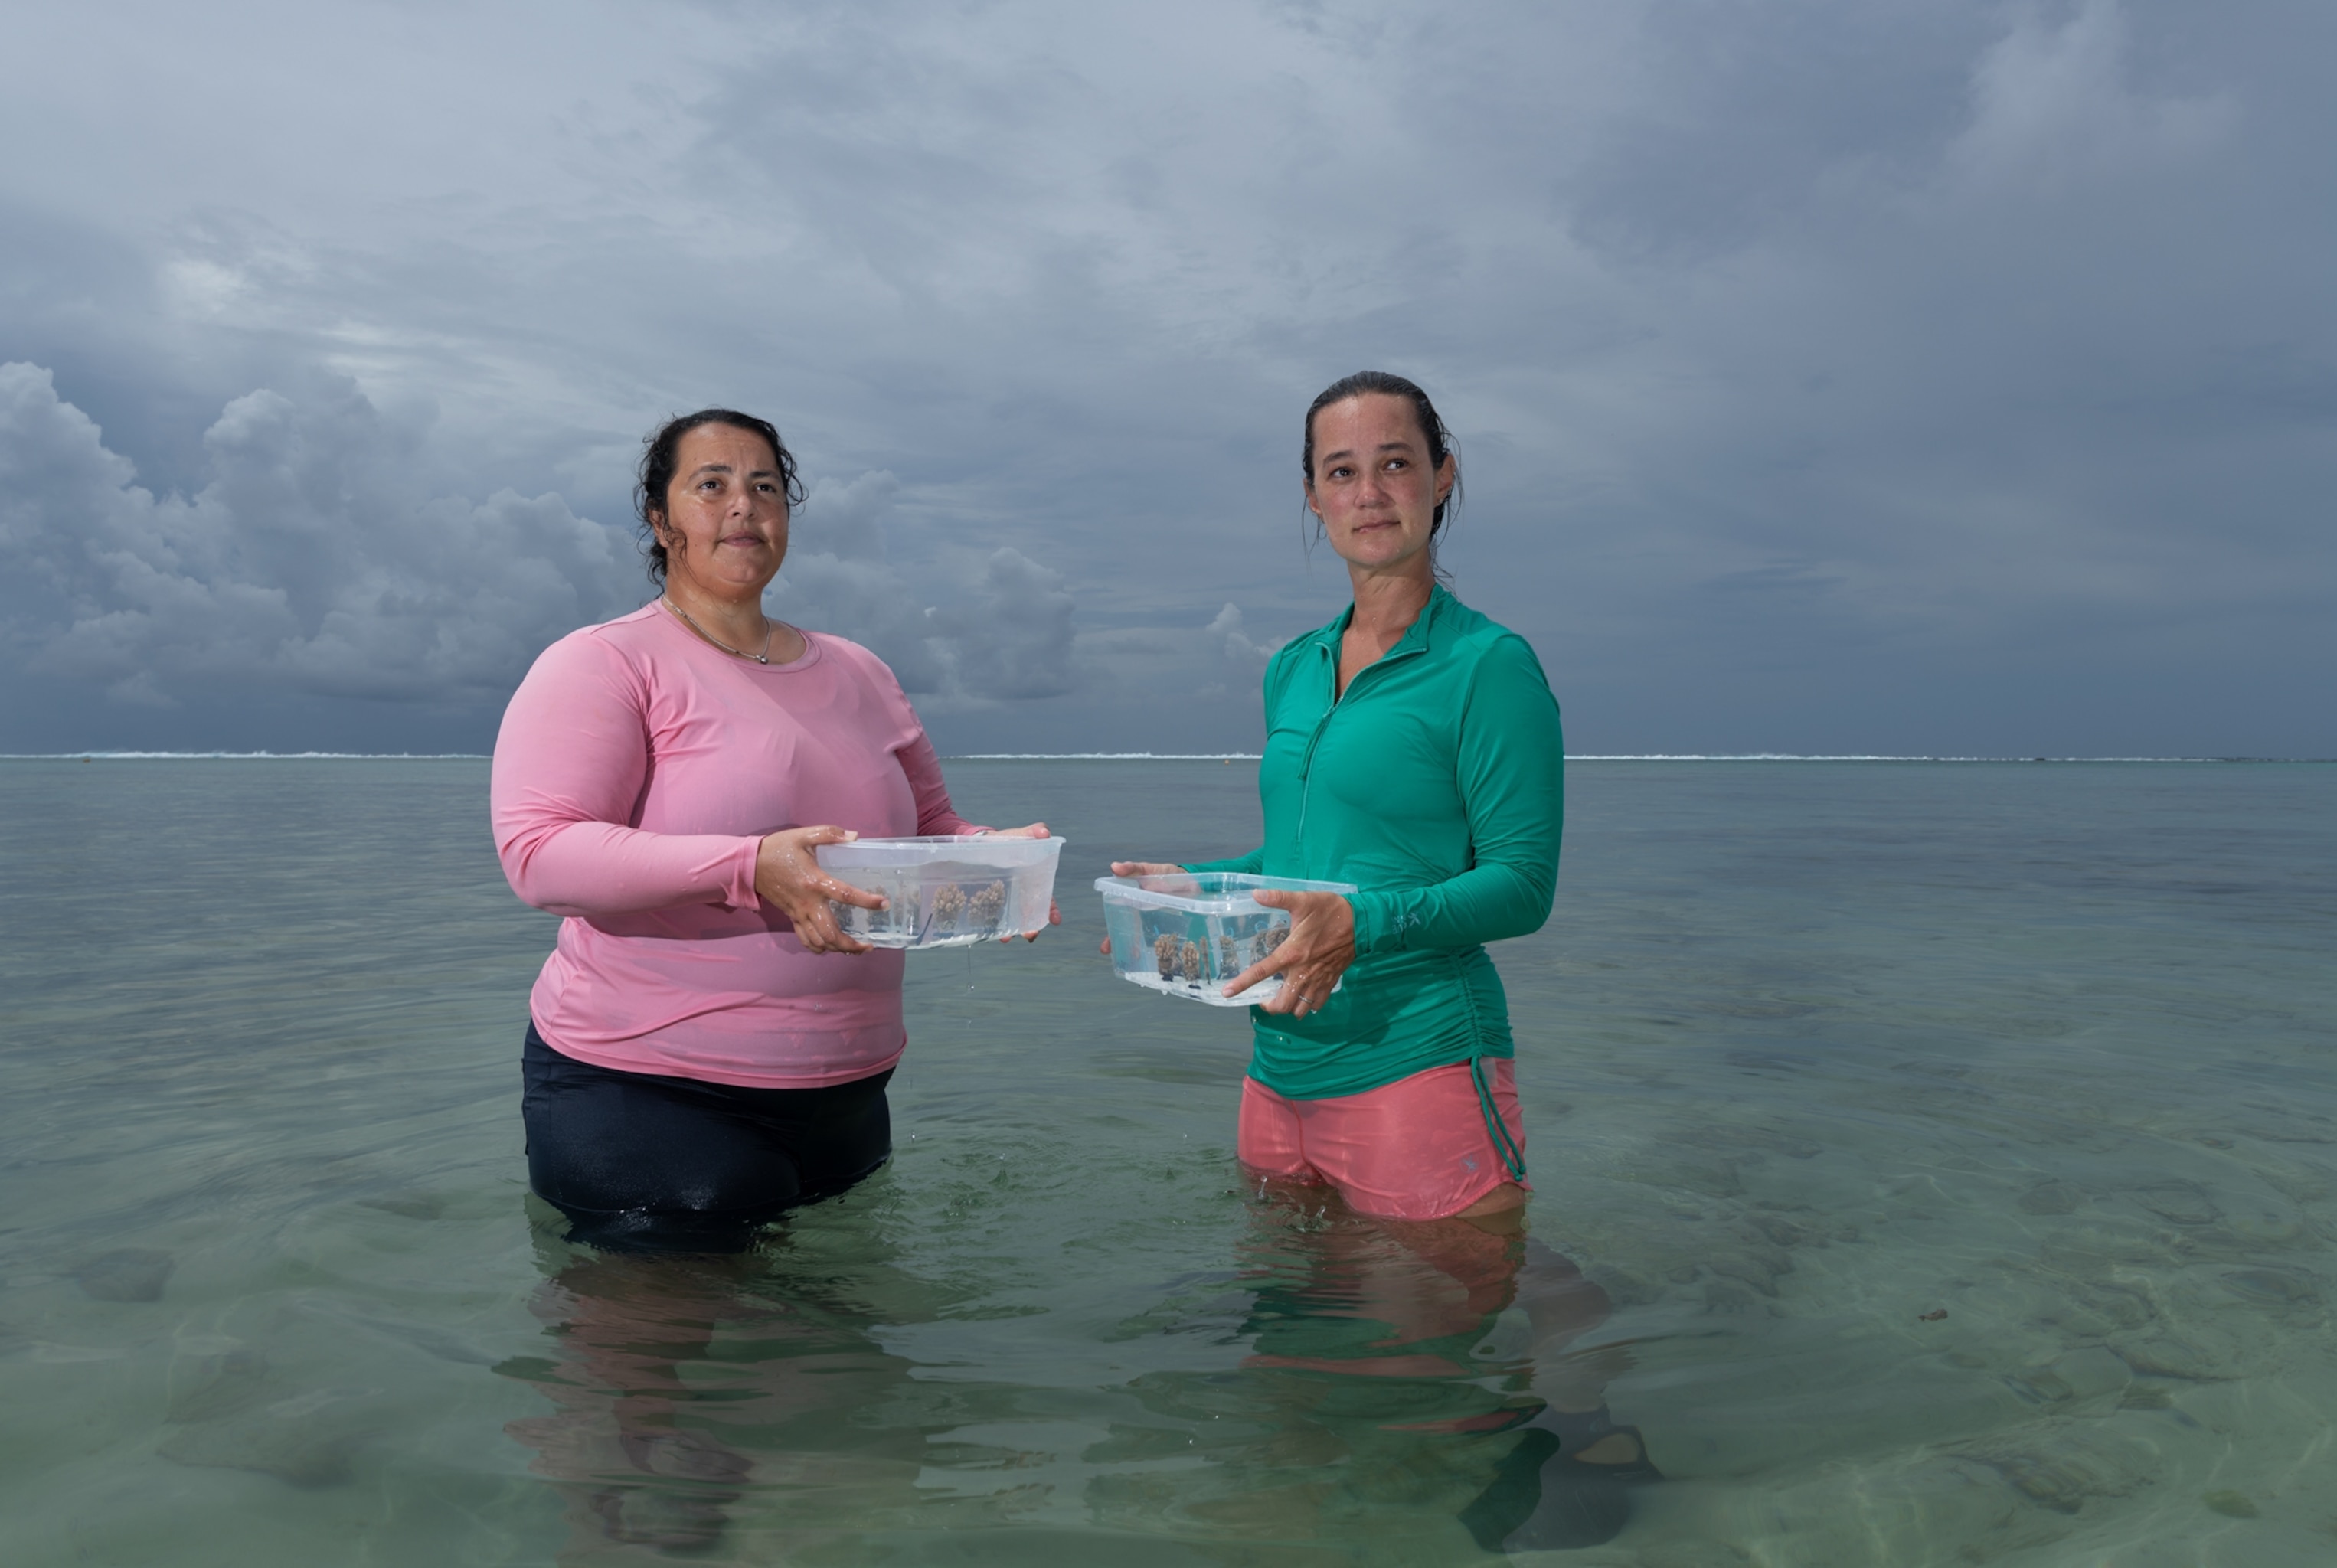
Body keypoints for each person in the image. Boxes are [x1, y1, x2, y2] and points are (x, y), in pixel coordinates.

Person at [1107, 371, 1656, 1548]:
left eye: (1395, 462)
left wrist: (1368, 928)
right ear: (1312, 495)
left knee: (1408, 1379)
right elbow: (1310, 857)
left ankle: (1581, 1416)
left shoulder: (1489, 666)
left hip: (1419, 1053)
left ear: (1442, 478)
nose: (1370, 491)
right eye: (1342, 470)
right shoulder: (1293, 667)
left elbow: (1521, 884)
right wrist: (1201, 884)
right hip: (1280, 1066)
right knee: (1306, 1332)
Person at [492, 408, 1053, 1253]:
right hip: (648, 1090)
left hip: (850, 1103)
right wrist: (752, 864)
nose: (742, 506)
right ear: (660, 519)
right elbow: (540, 854)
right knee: (650, 1378)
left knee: (838, 1374)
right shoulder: (605, 662)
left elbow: (928, 825)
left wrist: (997, 860)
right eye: (710, 485)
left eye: (764, 487)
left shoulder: (860, 669)